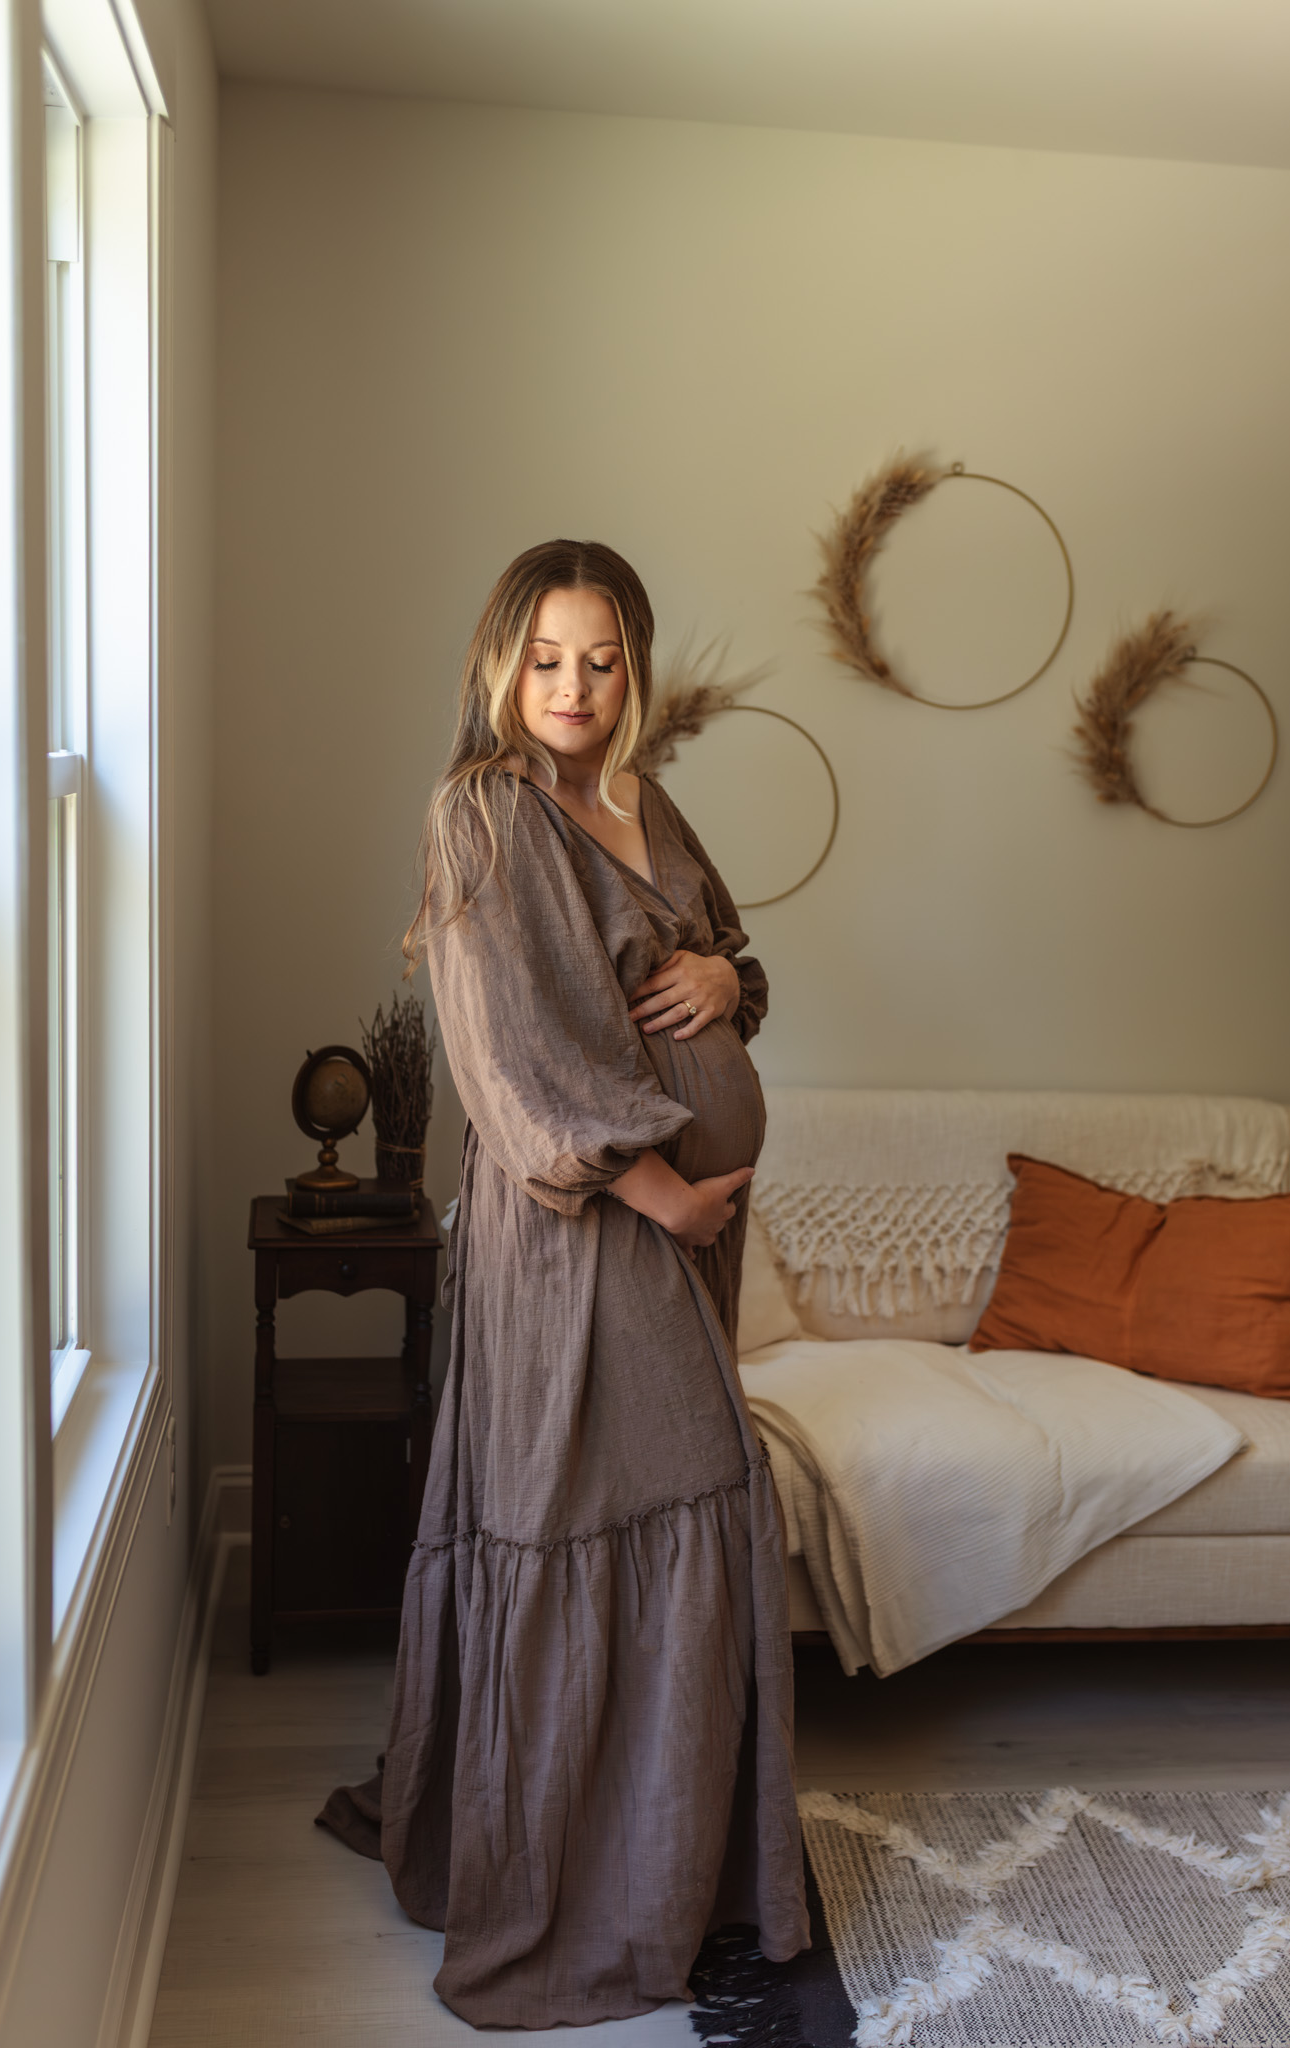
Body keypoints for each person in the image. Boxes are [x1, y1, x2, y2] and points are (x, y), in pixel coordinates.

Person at [319, 538, 808, 2027]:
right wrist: (664, 1192)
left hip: (682, 1235)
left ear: (634, 670)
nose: (573, 688)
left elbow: (730, 964)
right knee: (606, 1513)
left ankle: (676, 1872)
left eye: (600, 661)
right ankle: (579, 1890)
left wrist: (728, 982)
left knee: (676, 1510)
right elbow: (511, 1057)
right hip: (584, 1232)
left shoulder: (644, 803)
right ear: (501, 664)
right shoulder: (483, 813)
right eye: (546, 660)